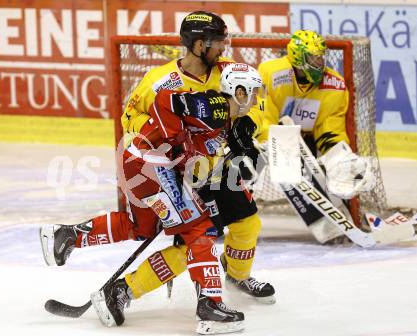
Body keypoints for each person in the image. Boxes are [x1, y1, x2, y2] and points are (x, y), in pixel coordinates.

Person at [40, 11, 276, 305]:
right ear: (199, 45)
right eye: (216, 42)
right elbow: (131, 120)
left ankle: (238, 276)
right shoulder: (159, 81)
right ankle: (126, 290)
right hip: (178, 172)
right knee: (189, 242)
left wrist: (246, 123)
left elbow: (254, 101)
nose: (222, 48)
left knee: (248, 225)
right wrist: (172, 136)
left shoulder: (228, 70)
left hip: (216, 168)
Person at [239, 29, 365, 244]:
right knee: (244, 164)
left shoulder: (333, 85)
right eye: (314, 57)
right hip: (268, 137)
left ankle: (333, 221)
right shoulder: (271, 72)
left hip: (304, 142)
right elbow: (262, 114)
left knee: (331, 170)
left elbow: (329, 129)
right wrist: (273, 140)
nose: (320, 62)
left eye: (321, 57)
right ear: (298, 57)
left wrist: (338, 156)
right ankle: (230, 217)